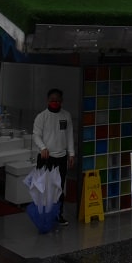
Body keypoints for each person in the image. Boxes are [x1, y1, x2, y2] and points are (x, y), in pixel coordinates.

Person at [32, 88, 76, 226]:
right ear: (47, 101)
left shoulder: (66, 115)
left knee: (59, 189)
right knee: (43, 188)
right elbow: (36, 134)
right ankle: (43, 215)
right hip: (46, 157)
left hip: (61, 157)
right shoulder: (41, 117)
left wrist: (71, 153)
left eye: (58, 100)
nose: (55, 103)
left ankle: (58, 214)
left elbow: (69, 135)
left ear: (62, 102)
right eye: (52, 100)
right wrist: (42, 147)